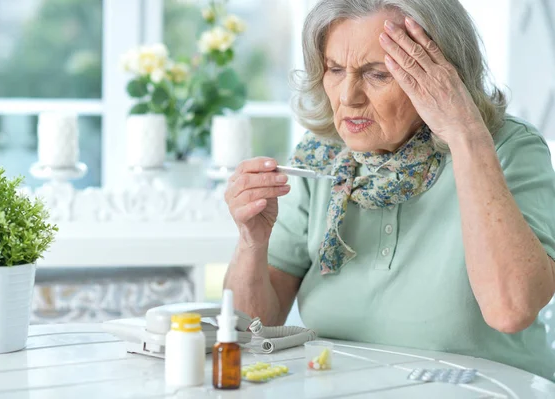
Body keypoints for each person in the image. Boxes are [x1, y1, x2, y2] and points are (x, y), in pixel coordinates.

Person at [223, 0, 555, 381]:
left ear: (441, 77)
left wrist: (465, 134)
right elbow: (251, 331)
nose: (348, 97)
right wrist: (252, 240)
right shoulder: (321, 154)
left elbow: (510, 310)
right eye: (334, 69)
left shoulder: (506, 148)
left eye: (377, 74)